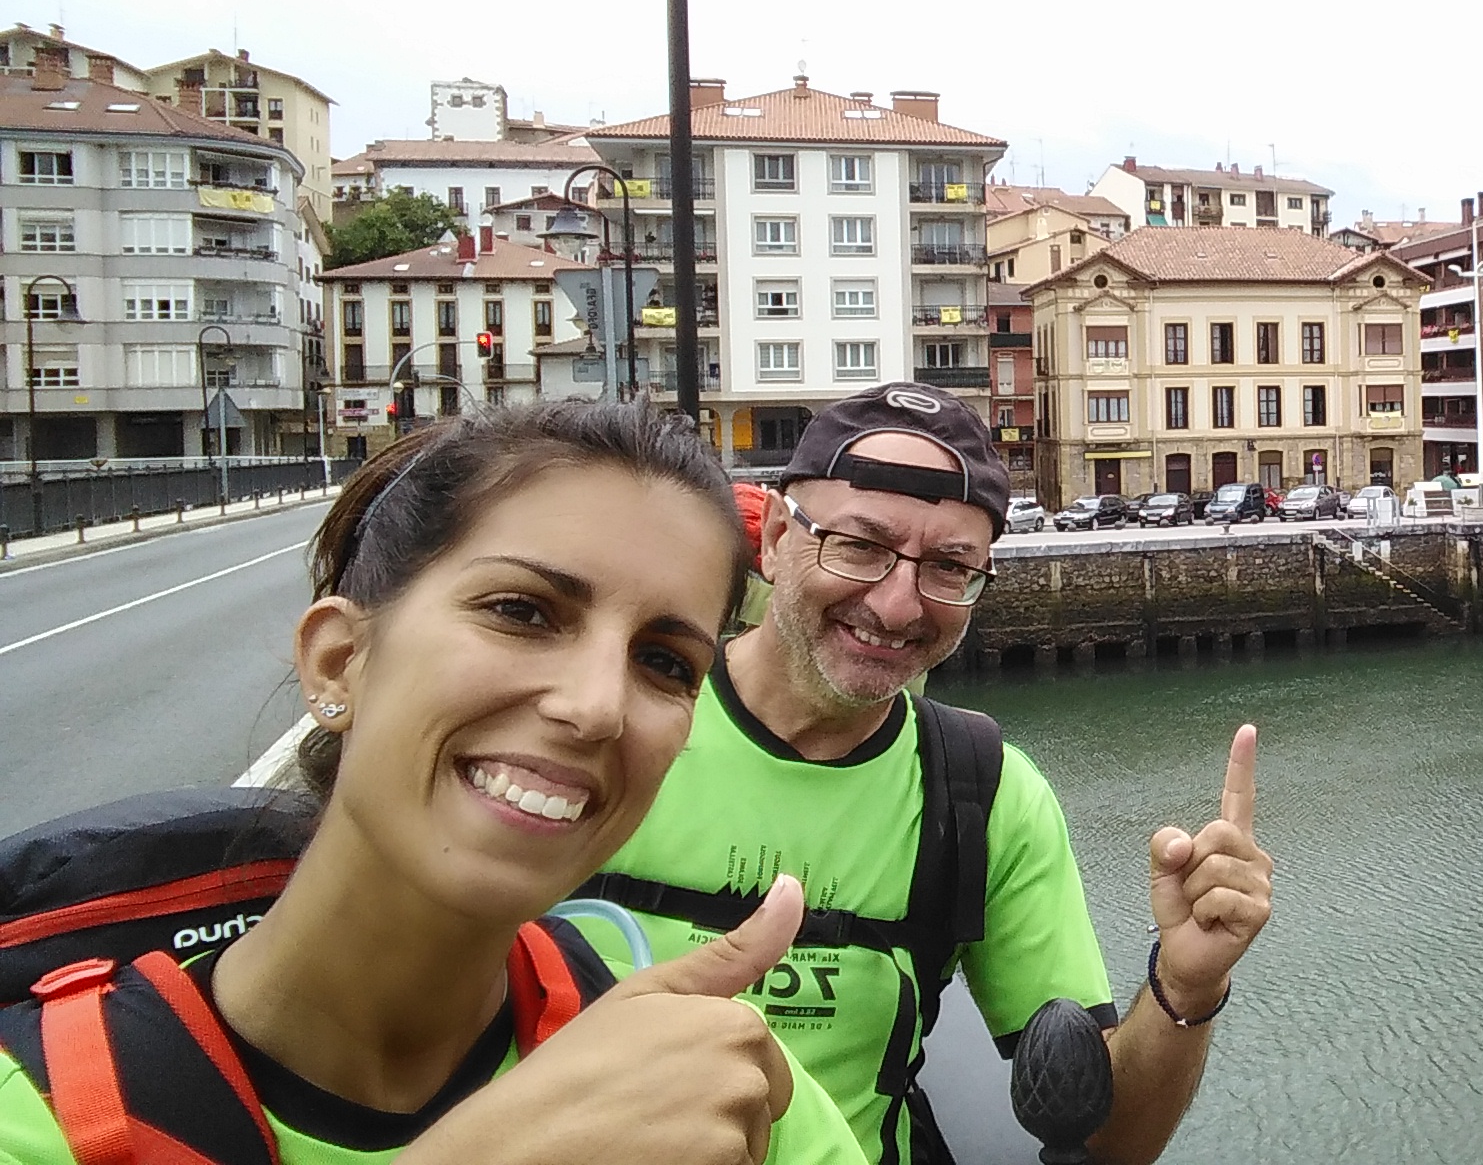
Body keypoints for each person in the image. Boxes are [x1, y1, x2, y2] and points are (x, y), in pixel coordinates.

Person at [0, 400, 865, 1165]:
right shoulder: (41, 1117)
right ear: (339, 660)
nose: (598, 706)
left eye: (665, 663)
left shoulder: (707, 1089)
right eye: (522, 612)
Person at [582, 383, 1271, 1164]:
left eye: (949, 566)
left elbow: (1106, 1142)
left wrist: (1185, 985)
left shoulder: (985, 794)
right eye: (859, 546)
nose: (898, 605)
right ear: (773, 538)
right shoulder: (613, 729)